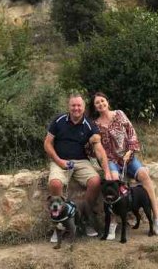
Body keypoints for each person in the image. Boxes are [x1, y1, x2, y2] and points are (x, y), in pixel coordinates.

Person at [91, 92, 158, 238]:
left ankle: (157, 218)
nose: (101, 104)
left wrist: (130, 151)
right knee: (113, 178)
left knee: (144, 174)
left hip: (128, 158)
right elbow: (95, 147)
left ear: (107, 101)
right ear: (95, 107)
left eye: (102, 100)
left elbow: (131, 133)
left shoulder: (119, 114)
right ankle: (112, 222)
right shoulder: (95, 125)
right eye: (97, 103)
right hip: (111, 161)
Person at [44, 93, 112, 242]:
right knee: (55, 183)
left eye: (79, 105)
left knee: (95, 181)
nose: (76, 108)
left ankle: (85, 220)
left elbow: (99, 149)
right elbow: (47, 143)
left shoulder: (89, 124)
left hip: (81, 161)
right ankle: (60, 225)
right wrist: (59, 161)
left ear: (84, 107)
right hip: (60, 160)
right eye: (73, 105)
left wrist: (106, 170)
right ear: (68, 106)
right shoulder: (59, 120)